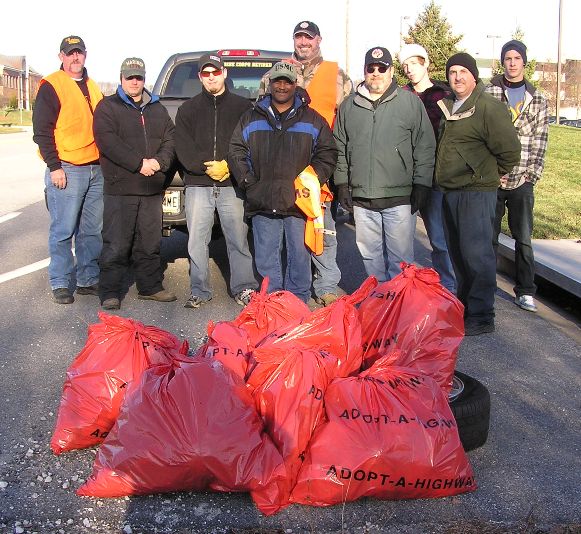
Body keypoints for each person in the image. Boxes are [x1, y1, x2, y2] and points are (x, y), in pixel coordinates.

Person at [259, 20, 353, 307]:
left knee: (322, 227)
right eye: (299, 37)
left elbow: (349, 123)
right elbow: (260, 113)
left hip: (319, 166)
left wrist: (340, 170)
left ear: (319, 40)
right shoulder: (275, 73)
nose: (303, 42)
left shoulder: (337, 76)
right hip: (281, 166)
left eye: (308, 38)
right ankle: (282, 290)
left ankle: (325, 285)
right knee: (288, 231)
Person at [229, 61, 337, 303]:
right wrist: (249, 181)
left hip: (298, 203)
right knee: (267, 259)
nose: (281, 86)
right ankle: (272, 306)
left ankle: (296, 305)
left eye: (286, 81)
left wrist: (312, 179)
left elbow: (328, 153)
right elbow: (236, 150)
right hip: (262, 200)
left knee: (300, 257)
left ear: (294, 84)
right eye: (277, 81)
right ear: (269, 84)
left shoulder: (312, 119)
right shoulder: (250, 117)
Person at [435, 53, 521, 336]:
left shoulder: (487, 107)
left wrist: (489, 173)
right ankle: (466, 308)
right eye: (452, 72)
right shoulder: (449, 106)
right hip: (451, 191)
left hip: (476, 192)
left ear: (474, 76)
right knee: (458, 255)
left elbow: (509, 150)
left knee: (477, 255)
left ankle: (483, 315)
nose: (457, 77)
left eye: (463, 71)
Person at [333, 47, 436, 282]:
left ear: (391, 71)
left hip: (399, 198)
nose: (376, 73)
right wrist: (342, 184)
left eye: (382, 68)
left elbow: (425, 146)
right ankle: (378, 304)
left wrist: (421, 184)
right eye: (371, 68)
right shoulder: (350, 105)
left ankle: (400, 309)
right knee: (371, 258)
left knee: (401, 262)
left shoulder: (409, 103)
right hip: (362, 198)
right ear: (365, 71)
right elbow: (339, 146)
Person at [175, 53, 258, 309]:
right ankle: (199, 289)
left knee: (237, 238)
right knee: (197, 240)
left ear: (224, 73)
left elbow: (249, 144)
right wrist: (205, 167)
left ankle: (244, 288)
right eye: (206, 73)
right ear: (200, 77)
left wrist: (228, 167)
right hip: (198, 184)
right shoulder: (187, 109)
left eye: (215, 72)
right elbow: (182, 147)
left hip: (231, 184)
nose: (211, 77)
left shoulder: (244, 108)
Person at [93, 58, 177, 310]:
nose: (134, 81)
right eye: (129, 77)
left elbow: (170, 139)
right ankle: (109, 291)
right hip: (121, 188)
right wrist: (138, 163)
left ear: (144, 79)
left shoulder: (157, 108)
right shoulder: (108, 107)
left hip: (151, 188)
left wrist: (159, 162)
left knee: (149, 242)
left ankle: (150, 287)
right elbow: (107, 141)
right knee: (117, 243)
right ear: (121, 78)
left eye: (138, 77)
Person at [33, 36, 103, 305]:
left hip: (95, 168)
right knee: (63, 230)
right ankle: (61, 281)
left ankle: (87, 279)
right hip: (67, 168)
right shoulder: (52, 85)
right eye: (70, 53)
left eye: (79, 53)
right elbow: (42, 131)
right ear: (61, 56)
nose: (75, 58)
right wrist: (54, 167)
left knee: (91, 230)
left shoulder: (92, 85)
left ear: (86, 55)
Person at [486, 40, 549, 313]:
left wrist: (531, 175)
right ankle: (485, 284)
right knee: (489, 236)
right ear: (503, 62)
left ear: (524, 62)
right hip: (492, 179)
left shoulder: (537, 99)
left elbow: (540, 141)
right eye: (507, 58)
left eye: (516, 58)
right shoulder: (489, 92)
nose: (512, 63)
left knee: (523, 238)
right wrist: (489, 172)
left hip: (522, 179)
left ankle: (525, 290)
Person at [398, 44, 456, 293]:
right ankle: (403, 291)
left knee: (440, 240)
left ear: (425, 64)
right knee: (400, 242)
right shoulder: (400, 95)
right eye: (405, 66)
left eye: (414, 63)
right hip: (404, 177)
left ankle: (448, 289)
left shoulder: (444, 96)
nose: (409, 69)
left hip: (435, 177)